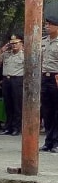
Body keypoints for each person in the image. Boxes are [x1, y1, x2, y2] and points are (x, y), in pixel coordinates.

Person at [0, 34, 24, 136]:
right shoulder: (6, 54)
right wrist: (2, 50)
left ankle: (16, 128)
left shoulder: (24, 55)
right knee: (8, 105)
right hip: (6, 80)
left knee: (17, 105)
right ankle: (8, 127)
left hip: (17, 80)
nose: (13, 45)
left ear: (21, 43)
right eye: (12, 43)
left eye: (16, 43)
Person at [40, 14, 58, 152]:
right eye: (46, 24)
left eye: (50, 25)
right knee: (47, 111)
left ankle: (56, 142)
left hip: (56, 77)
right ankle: (48, 141)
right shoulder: (43, 41)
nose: (47, 27)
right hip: (44, 77)